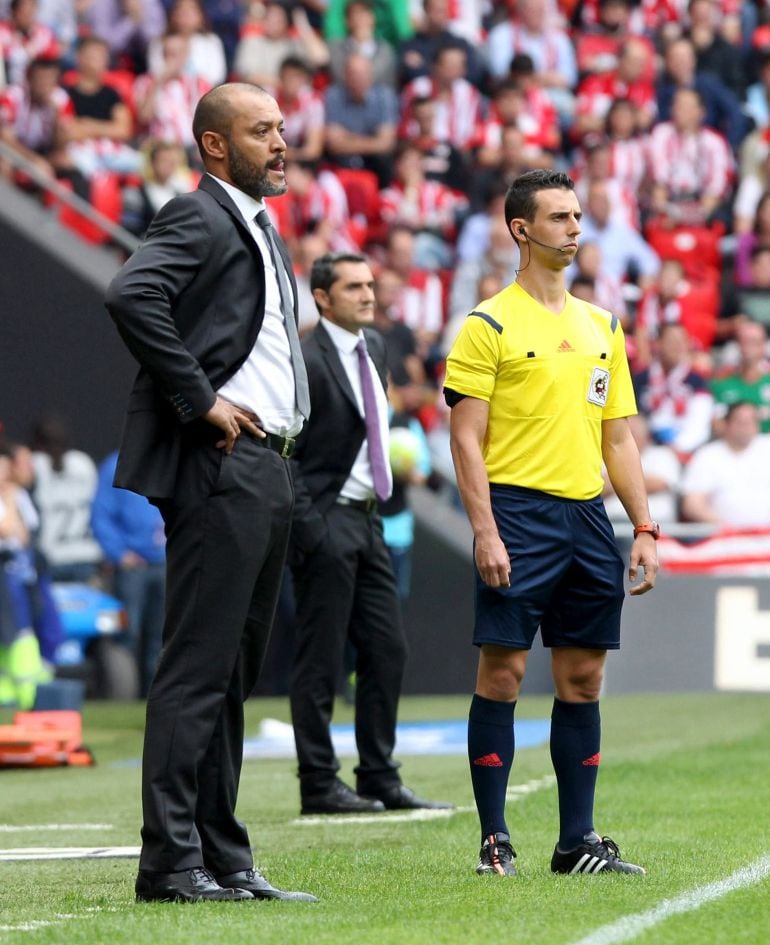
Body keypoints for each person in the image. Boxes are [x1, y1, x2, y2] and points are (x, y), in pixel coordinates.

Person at [105, 82, 317, 905]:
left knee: (231, 673)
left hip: (268, 466)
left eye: (281, 125)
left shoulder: (261, 230)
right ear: (216, 145)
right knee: (197, 670)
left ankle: (224, 855)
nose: (281, 140)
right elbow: (130, 294)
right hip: (221, 463)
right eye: (262, 130)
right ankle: (169, 862)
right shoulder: (197, 215)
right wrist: (201, 397)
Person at [443, 169, 658, 878]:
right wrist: (484, 528)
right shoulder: (488, 323)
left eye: (576, 215)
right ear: (520, 229)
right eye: (560, 217)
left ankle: (576, 842)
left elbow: (618, 437)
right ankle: (495, 838)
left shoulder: (601, 325)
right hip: (517, 513)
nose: (575, 226)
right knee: (503, 672)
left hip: (587, 520)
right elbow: (466, 437)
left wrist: (646, 528)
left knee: (584, 679)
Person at [288, 251, 452, 816]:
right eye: (353, 286)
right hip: (327, 518)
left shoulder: (375, 347)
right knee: (321, 657)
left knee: (387, 647)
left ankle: (379, 775)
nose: (367, 294)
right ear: (323, 298)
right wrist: (310, 527)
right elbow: (286, 450)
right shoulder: (302, 359)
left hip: (368, 518)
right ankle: (318, 782)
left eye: (370, 284)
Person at [91, 450, 166, 698]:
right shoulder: (115, 464)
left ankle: (156, 697)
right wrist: (119, 553)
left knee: (163, 635)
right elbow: (100, 515)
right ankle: (124, 696)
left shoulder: (168, 457)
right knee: (128, 633)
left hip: (166, 562)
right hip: (133, 566)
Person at [681, 401, 770, 528]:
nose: (746, 426)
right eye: (740, 421)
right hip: (723, 539)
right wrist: (724, 527)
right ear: (726, 424)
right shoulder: (707, 455)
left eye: (751, 421)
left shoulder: (767, 446)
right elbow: (692, 504)